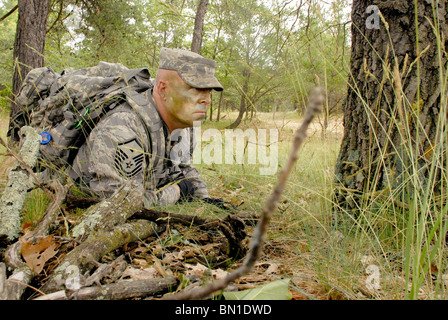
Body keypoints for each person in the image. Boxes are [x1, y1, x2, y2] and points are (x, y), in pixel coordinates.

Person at [68, 47, 224, 208]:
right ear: (163, 89)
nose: (207, 100)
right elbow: (121, 204)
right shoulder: (123, 127)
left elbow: (182, 167)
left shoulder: (185, 125)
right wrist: (176, 192)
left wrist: (205, 199)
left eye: (209, 91)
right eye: (197, 90)